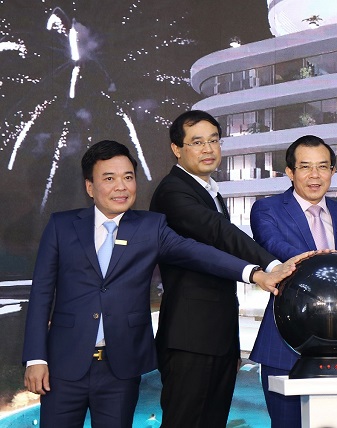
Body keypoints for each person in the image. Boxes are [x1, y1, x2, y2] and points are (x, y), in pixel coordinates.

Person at [22, 140, 294, 427]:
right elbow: (41, 295)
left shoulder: (150, 227)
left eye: (128, 177)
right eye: (109, 178)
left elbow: (199, 253)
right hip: (63, 365)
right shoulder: (62, 226)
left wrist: (256, 273)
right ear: (90, 187)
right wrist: (35, 359)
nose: (121, 187)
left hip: (120, 367)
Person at [149, 110, 297, 428]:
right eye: (197, 142)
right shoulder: (173, 191)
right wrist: (270, 266)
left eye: (214, 140)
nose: (208, 149)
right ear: (176, 149)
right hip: (190, 339)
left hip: (218, 338)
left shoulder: (209, 191)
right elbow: (218, 232)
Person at [249, 135, 337, 428]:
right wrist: (317, 260)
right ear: (290, 171)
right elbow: (272, 244)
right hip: (283, 345)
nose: (315, 175)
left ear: (333, 171)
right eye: (305, 167)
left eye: (323, 167)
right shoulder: (267, 209)